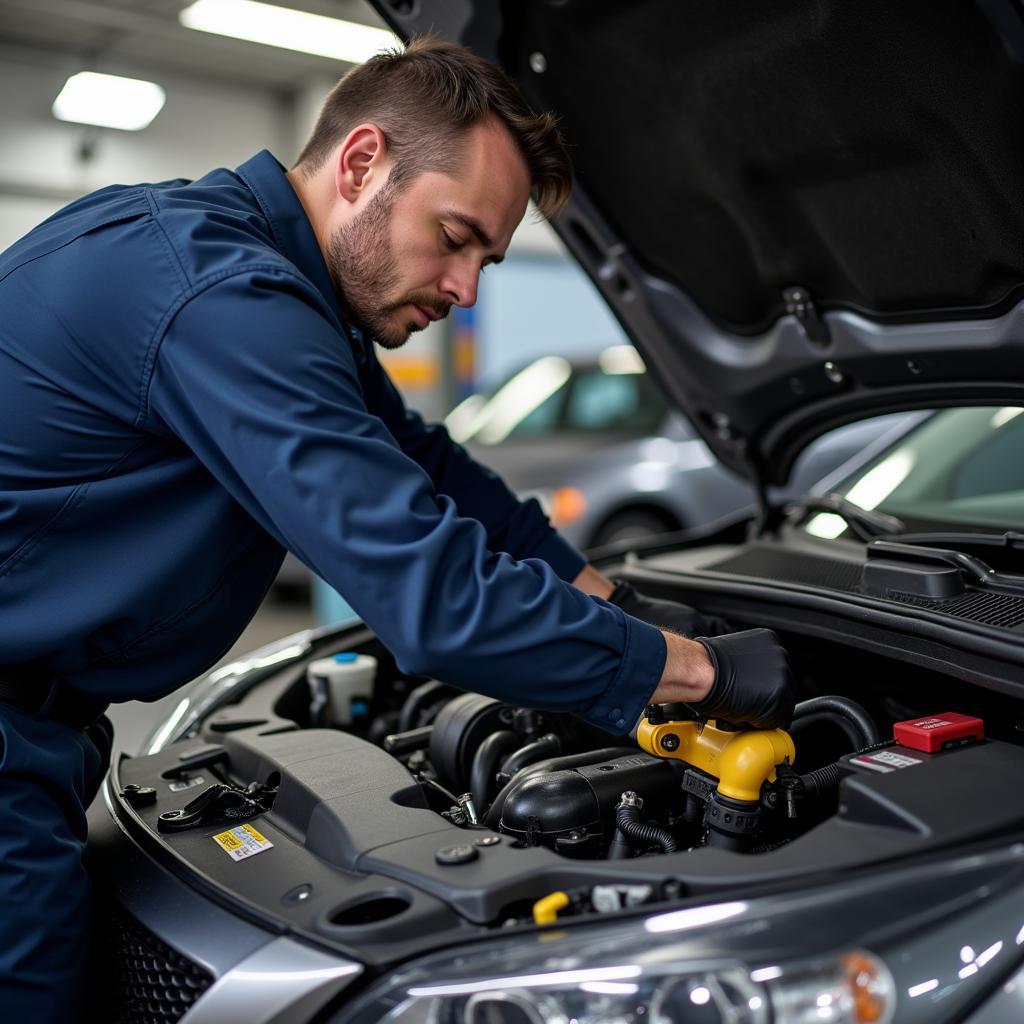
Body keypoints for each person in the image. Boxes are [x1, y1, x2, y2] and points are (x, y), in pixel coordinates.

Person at [0, 36, 794, 1020]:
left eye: (487, 260)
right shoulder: (224, 297)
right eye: (454, 236)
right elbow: (434, 602)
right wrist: (699, 674)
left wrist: (609, 600)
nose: (466, 289)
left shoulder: (260, 275)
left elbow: (434, 469)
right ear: (362, 162)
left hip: (40, 723)